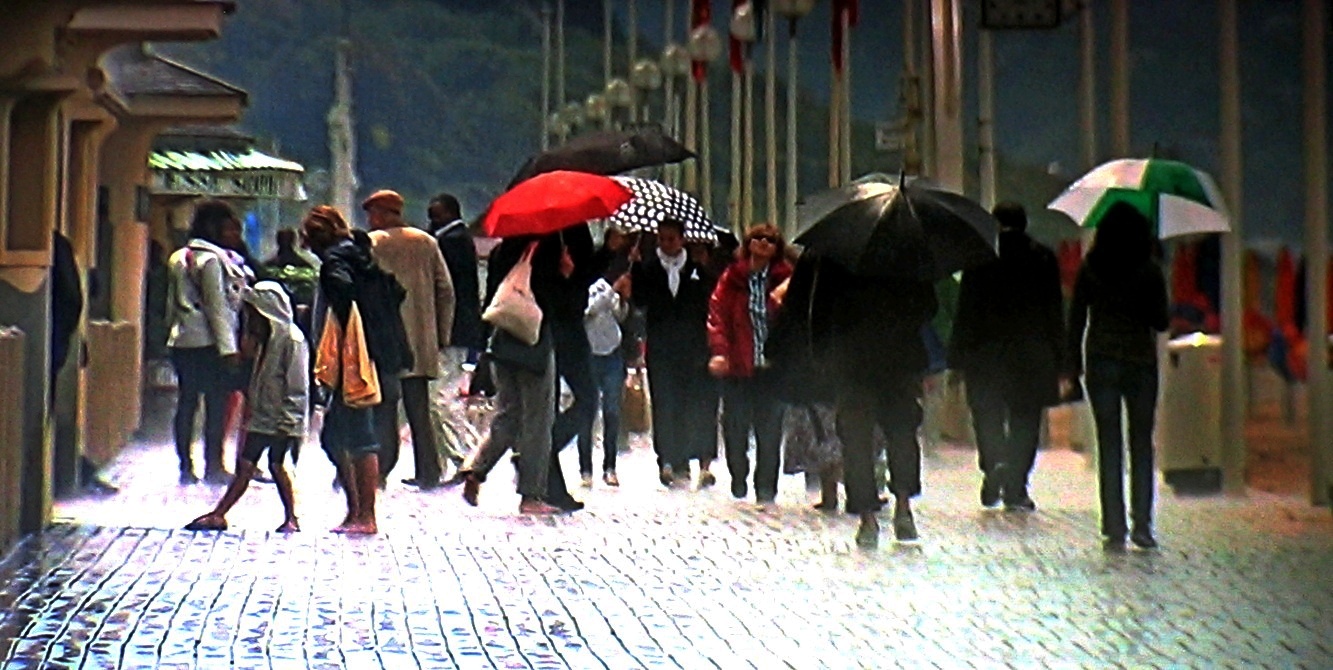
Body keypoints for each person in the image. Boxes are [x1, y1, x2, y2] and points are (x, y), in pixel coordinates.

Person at [1066, 201, 1169, 550]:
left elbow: (1077, 317)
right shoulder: (1150, 269)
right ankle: (1142, 524)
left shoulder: (1091, 267)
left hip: (1101, 361)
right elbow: (1161, 321)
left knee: (1109, 444)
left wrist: (1071, 364)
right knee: (1141, 442)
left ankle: (1113, 524)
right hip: (1140, 363)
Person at [949, 202, 1065, 511]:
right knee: (1025, 420)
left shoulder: (980, 258)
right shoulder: (1042, 258)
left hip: (985, 356)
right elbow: (1055, 313)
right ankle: (1016, 484)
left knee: (986, 415)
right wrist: (1063, 362)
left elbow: (966, 311)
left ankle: (994, 462)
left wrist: (956, 360)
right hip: (1030, 355)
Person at [824, 256, 937, 547]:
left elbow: (824, 312)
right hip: (899, 362)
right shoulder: (908, 259)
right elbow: (928, 307)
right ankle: (903, 506)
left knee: (857, 441)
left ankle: (867, 517)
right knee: (901, 434)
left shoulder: (840, 257)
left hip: (854, 365)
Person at [457, 229, 572, 515]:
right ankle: (531, 494)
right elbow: (554, 302)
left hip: (502, 342)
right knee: (537, 420)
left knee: (507, 414)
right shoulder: (549, 249)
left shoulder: (503, 250)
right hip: (533, 343)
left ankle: (476, 468)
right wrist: (565, 273)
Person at [185, 281, 308, 533]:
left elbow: (297, 385)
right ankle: (220, 513)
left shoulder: (292, 341)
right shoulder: (266, 341)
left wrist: (289, 420)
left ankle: (292, 517)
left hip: (281, 417)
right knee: (246, 464)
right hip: (263, 416)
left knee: (277, 464)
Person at [364, 189, 456, 490]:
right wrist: (441, 334)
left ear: (382, 213)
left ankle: (379, 471)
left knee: (386, 408)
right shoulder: (426, 242)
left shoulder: (373, 244)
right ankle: (428, 470)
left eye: (372, 214)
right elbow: (446, 290)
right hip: (420, 340)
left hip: (384, 341)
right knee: (419, 410)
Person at [302, 205, 384, 534]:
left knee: (358, 437)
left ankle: (364, 514)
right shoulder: (355, 257)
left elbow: (343, 306)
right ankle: (357, 511)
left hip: (349, 361)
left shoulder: (337, 262)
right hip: (355, 358)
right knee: (337, 437)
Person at [165, 199, 250, 484]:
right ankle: (214, 464)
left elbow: (170, 305)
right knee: (215, 404)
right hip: (209, 344)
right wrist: (229, 349)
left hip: (182, 341)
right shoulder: (212, 260)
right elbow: (217, 307)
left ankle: (185, 466)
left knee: (186, 403)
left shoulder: (179, 257)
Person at [707, 223, 793, 503]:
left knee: (770, 431)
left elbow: (794, 320)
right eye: (758, 238)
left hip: (773, 368)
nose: (763, 243)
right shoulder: (731, 278)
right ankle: (738, 474)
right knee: (734, 427)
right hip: (738, 368)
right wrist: (720, 351)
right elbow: (717, 315)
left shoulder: (786, 279)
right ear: (748, 243)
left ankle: (766, 487)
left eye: (770, 239)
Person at [628, 219, 717, 488]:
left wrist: (704, 268)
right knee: (665, 403)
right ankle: (667, 458)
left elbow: (708, 302)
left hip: (693, 347)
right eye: (662, 239)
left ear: (681, 239)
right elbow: (640, 302)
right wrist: (634, 269)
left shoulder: (696, 268)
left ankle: (699, 459)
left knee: (696, 403)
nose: (667, 244)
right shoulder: (648, 268)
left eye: (671, 239)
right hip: (662, 347)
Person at [541, 224, 597, 511]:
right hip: (541, 328)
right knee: (544, 408)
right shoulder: (532, 232)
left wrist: (611, 254)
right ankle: (549, 482)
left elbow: (585, 276)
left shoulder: (576, 228)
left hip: (571, 328)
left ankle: (542, 450)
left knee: (588, 399)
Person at [427, 193, 483, 474]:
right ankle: (461, 455)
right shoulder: (460, 240)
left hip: (454, 331)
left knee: (442, 399)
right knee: (441, 399)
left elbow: (448, 290)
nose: (431, 221)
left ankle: (467, 457)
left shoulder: (451, 243)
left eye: (436, 215)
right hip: (458, 330)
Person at [582, 231, 632, 487]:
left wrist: (622, 298)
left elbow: (621, 317)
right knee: (587, 412)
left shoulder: (613, 291)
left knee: (612, 411)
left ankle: (610, 465)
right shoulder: (590, 286)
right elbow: (588, 311)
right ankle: (585, 468)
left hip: (612, 353)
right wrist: (610, 290)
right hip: (589, 354)